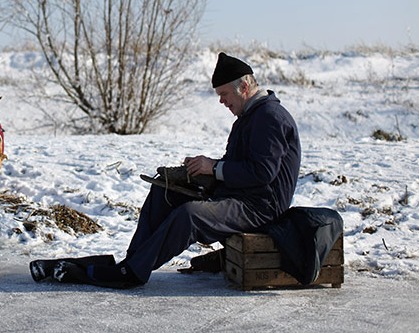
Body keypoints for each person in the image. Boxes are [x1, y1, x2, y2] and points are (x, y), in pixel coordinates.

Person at [85, 51, 302, 288]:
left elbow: (262, 173)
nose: (221, 101)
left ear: (244, 86)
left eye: (224, 94)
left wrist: (215, 168)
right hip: (239, 197)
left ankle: (134, 272)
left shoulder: (270, 117)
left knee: (191, 215)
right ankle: (132, 261)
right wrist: (203, 171)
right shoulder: (248, 117)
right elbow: (239, 164)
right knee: (165, 192)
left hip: (260, 208)